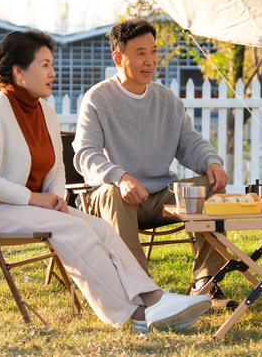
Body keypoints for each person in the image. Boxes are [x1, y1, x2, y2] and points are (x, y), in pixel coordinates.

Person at [0, 29, 211, 332]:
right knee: (72, 227)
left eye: (52, 64)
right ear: (19, 71)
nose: (53, 72)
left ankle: (154, 298)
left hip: (23, 207)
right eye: (44, 65)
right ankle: (132, 314)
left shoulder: (45, 112)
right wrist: (34, 199)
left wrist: (55, 197)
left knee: (98, 227)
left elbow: (56, 168)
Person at [73, 18, 236, 309]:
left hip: (161, 196)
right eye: (140, 53)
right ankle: (144, 293)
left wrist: (211, 161)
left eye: (153, 52)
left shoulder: (167, 99)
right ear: (118, 58)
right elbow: (85, 154)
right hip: (114, 199)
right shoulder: (97, 98)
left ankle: (205, 283)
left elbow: (191, 142)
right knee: (112, 192)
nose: (150, 61)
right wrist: (120, 177)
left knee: (212, 188)